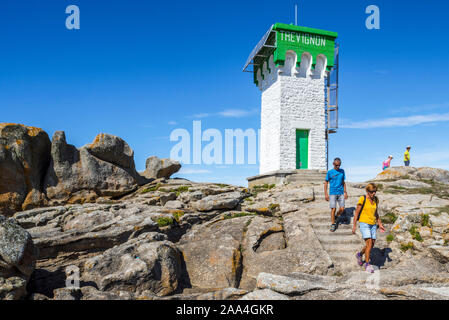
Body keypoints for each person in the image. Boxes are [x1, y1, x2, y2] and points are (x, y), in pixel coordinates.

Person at [352, 183, 386, 273]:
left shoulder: (376, 199)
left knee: (371, 245)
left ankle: (359, 254)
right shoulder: (362, 199)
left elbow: (376, 213)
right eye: (371, 192)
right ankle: (367, 264)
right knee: (369, 243)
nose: (373, 193)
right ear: (367, 191)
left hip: (373, 224)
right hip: (364, 223)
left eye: (375, 191)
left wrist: (380, 224)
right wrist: (354, 225)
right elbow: (356, 213)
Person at [324, 158, 348, 232]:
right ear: (333, 164)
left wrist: (345, 192)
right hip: (332, 193)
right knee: (333, 208)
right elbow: (326, 183)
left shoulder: (342, 171)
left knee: (342, 208)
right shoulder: (330, 172)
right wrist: (326, 194)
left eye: (339, 165)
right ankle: (333, 224)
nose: (338, 166)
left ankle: (336, 216)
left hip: (340, 192)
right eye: (337, 165)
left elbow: (343, 182)